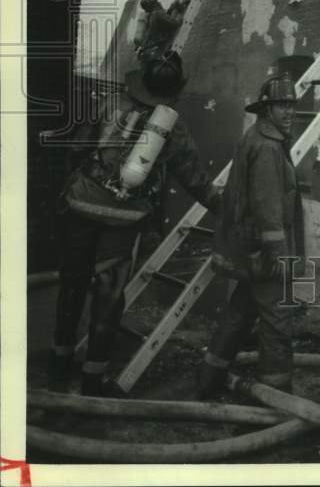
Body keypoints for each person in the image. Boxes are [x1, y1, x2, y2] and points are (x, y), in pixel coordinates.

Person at [48, 48, 222, 396]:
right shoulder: (171, 126)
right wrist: (224, 206)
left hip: (81, 204)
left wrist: (74, 185)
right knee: (108, 295)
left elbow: (77, 147)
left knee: (72, 285)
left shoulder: (110, 103)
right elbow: (193, 178)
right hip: (124, 217)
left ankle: (58, 369)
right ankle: (93, 382)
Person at [197, 73, 300, 397]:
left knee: (241, 311)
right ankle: (276, 394)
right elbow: (268, 205)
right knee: (278, 318)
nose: (289, 111)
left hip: (247, 246)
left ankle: (210, 378)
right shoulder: (267, 147)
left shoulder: (256, 136)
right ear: (267, 109)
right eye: (281, 105)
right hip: (264, 252)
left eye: (291, 104)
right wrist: (279, 255)